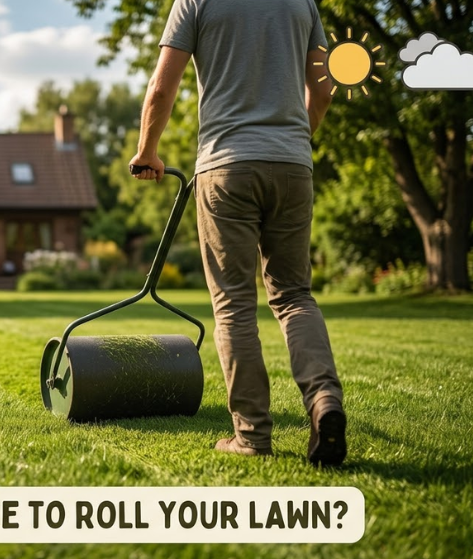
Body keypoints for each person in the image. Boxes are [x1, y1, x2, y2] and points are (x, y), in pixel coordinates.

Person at [129, 0, 347, 465]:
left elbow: (162, 87)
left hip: (226, 166)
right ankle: (324, 399)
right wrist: (294, 141)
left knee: (234, 303)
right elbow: (324, 89)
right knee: (294, 295)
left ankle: (251, 435)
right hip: (293, 166)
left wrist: (147, 150)